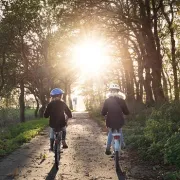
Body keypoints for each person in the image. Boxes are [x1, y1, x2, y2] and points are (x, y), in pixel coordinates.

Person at [101, 84, 130, 155]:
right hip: (120, 120)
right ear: (118, 91)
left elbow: (103, 112)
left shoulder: (107, 100)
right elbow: (126, 112)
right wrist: (126, 113)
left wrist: (103, 114)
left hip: (110, 121)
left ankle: (107, 149)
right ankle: (123, 145)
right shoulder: (122, 100)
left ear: (110, 91)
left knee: (111, 132)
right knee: (120, 130)